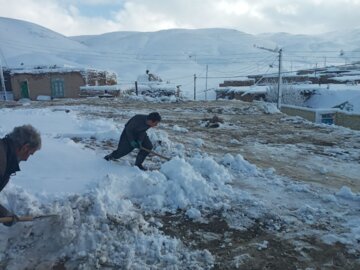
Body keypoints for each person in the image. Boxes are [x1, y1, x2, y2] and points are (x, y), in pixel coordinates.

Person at [0, 125, 41, 226]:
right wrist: (4, 214)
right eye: (30, 154)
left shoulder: (5, 154)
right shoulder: (1, 160)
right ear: (25, 147)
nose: (26, 159)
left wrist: (4, 215)